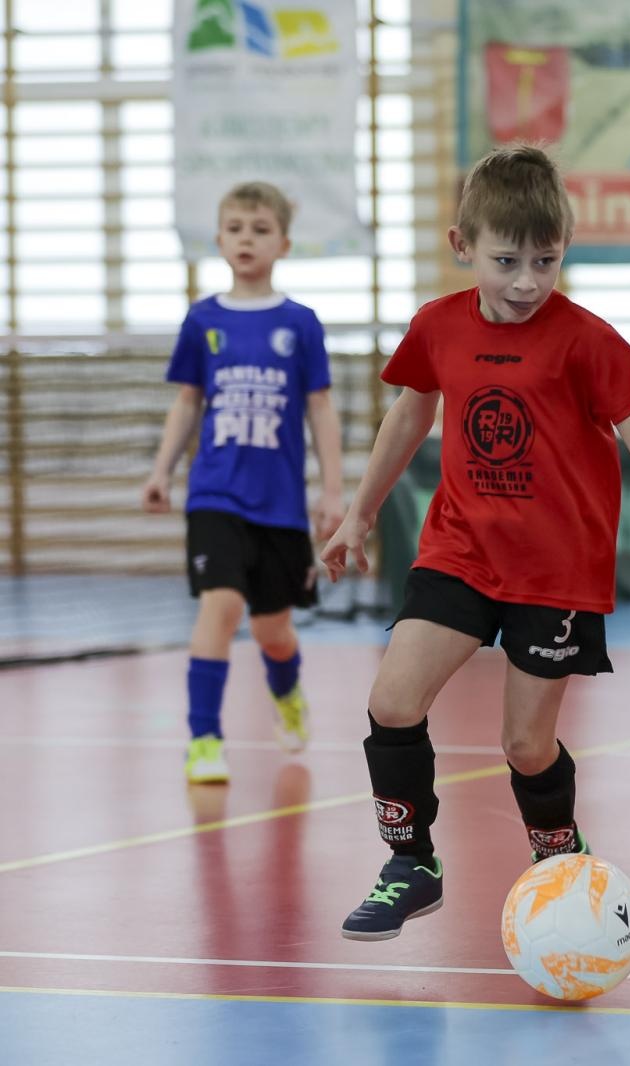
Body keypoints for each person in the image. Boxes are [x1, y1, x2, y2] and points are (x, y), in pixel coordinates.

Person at [322, 144, 630, 941]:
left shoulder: (588, 341)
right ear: (463, 245)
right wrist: (359, 513)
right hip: (460, 551)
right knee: (392, 701)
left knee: (526, 746)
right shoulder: (438, 326)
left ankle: (559, 850)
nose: (528, 281)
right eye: (507, 261)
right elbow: (410, 413)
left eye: (546, 260)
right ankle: (411, 864)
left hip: (555, 572)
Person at [142, 180, 344, 785]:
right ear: (219, 240)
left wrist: (334, 492)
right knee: (221, 604)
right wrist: (161, 470)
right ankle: (204, 739)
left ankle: (287, 692)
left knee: (272, 631)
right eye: (235, 229)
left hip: (279, 504)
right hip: (215, 493)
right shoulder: (203, 319)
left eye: (260, 229)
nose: (246, 239)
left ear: (283, 243)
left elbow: (321, 410)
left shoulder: (299, 324)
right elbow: (187, 401)